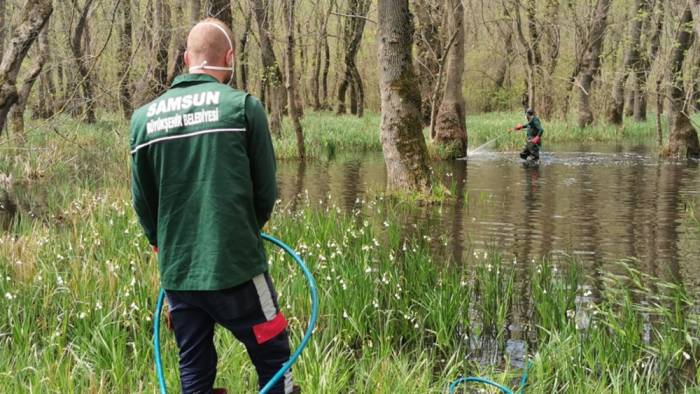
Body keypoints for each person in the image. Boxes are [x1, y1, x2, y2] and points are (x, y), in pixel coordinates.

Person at [130, 18, 298, 394]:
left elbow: (143, 204)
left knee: (194, 372)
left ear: (187, 58)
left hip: (179, 275)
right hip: (236, 268)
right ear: (230, 58)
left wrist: (165, 245)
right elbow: (265, 194)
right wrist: (239, 231)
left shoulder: (143, 121)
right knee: (275, 360)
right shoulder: (243, 108)